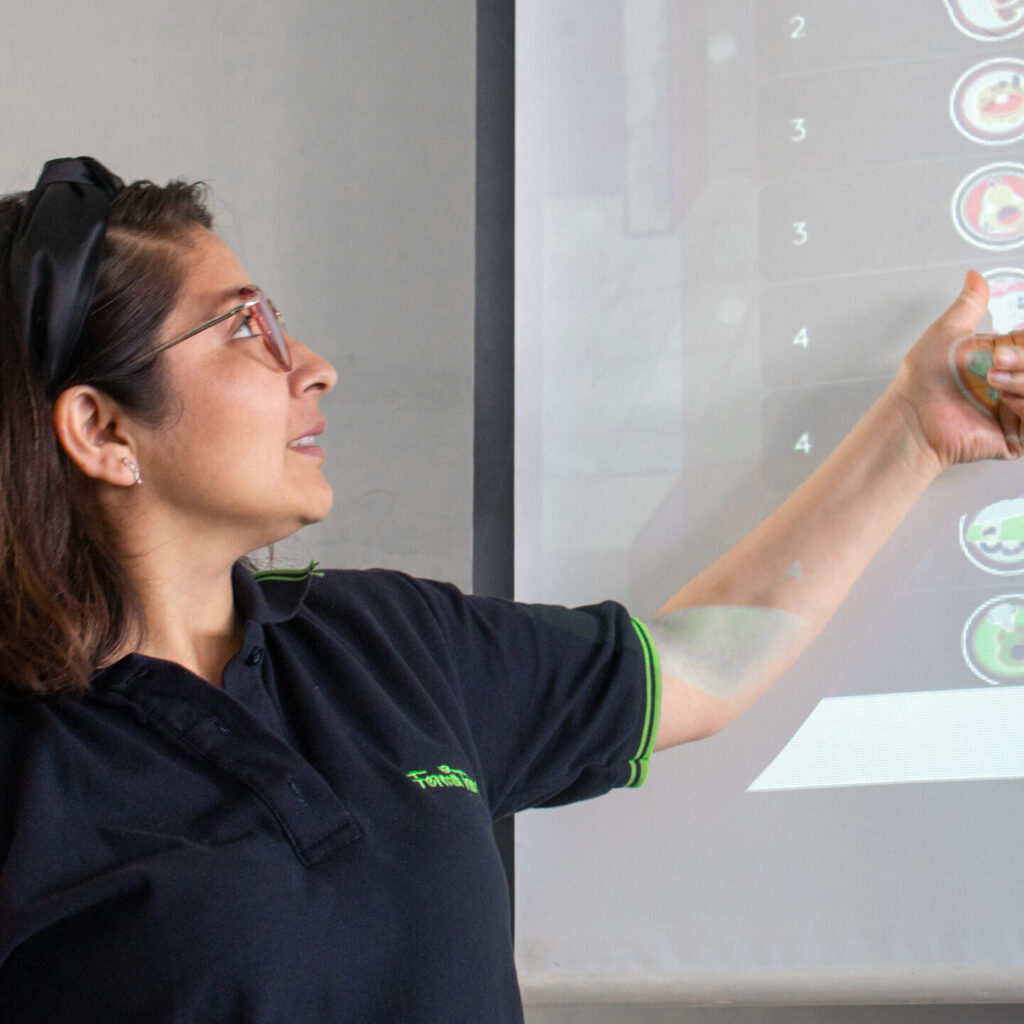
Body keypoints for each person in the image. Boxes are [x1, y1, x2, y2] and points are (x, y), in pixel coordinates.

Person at [0, 157, 1020, 1023]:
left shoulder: (388, 641)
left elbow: (702, 663)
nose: (310, 367)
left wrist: (912, 431)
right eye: (242, 331)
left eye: (282, 321)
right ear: (101, 431)